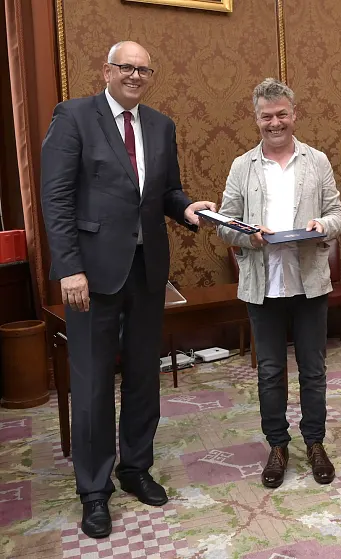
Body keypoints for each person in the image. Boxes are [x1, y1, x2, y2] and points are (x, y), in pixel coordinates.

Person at [40, 41, 216, 538]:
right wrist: (69, 267)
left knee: (144, 376)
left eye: (144, 69)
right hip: (91, 276)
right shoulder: (74, 116)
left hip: (146, 271)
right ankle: (94, 491)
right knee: (93, 383)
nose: (135, 76)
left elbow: (166, 191)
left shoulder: (161, 125)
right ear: (108, 71)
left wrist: (185, 209)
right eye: (127, 68)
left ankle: (136, 468)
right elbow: (55, 197)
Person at [217, 78, 341, 489]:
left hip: (309, 284)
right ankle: (277, 446)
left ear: (294, 114)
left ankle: (314, 443)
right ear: (256, 119)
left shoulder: (317, 161)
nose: (275, 123)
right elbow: (225, 223)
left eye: (282, 114)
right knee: (270, 372)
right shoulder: (242, 166)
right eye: (266, 116)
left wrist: (320, 225)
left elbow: (338, 214)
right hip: (263, 286)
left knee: (314, 370)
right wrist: (247, 233)